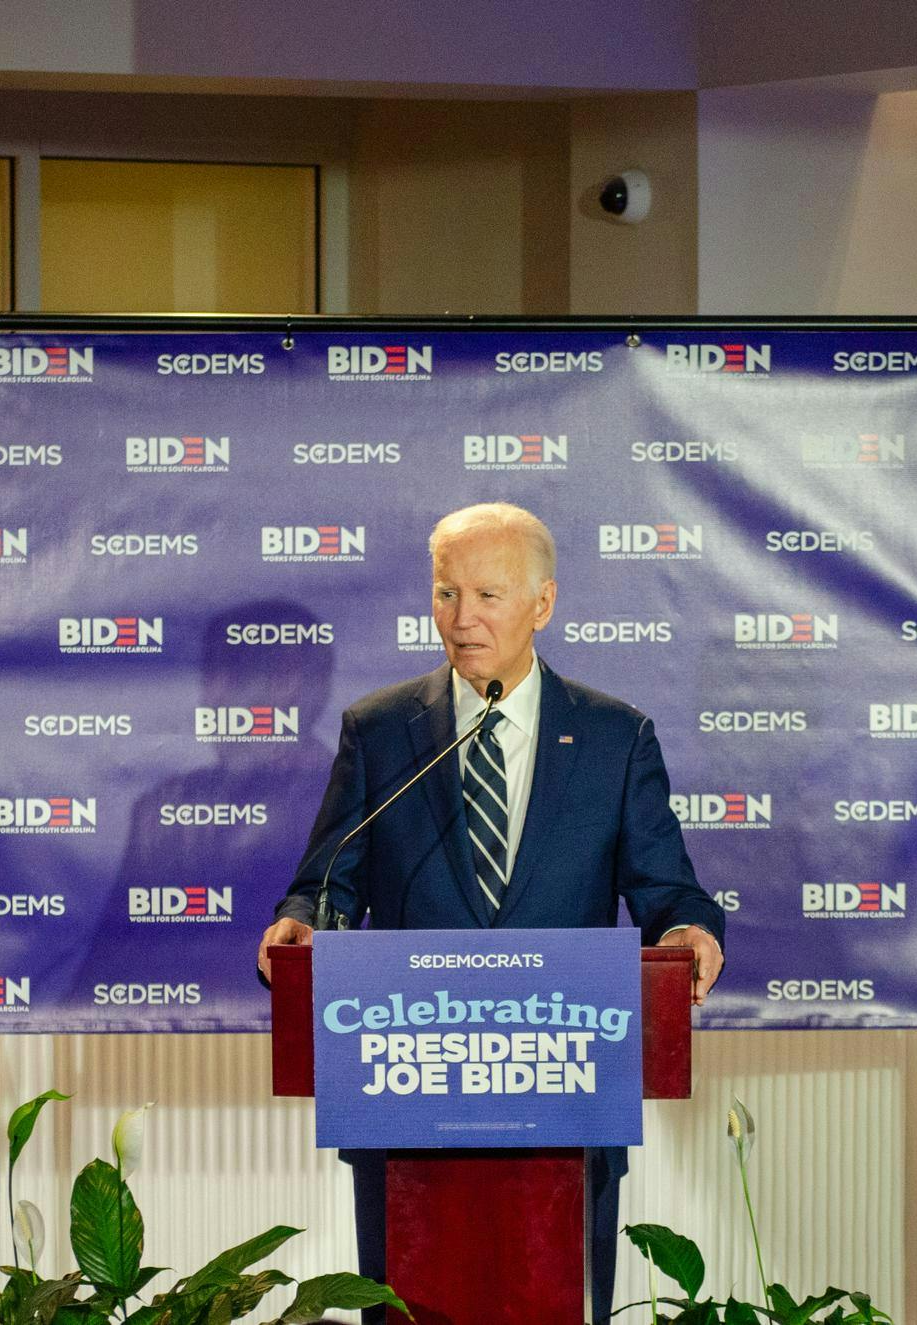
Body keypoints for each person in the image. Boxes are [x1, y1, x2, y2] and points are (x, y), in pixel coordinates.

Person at [257, 501, 726, 1325]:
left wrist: (689, 931)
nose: (461, 618)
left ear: (542, 604)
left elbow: (667, 892)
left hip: (565, 1099)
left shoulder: (616, 738)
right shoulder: (381, 730)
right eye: (445, 594)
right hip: (410, 1097)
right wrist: (305, 920)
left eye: (487, 595)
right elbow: (333, 876)